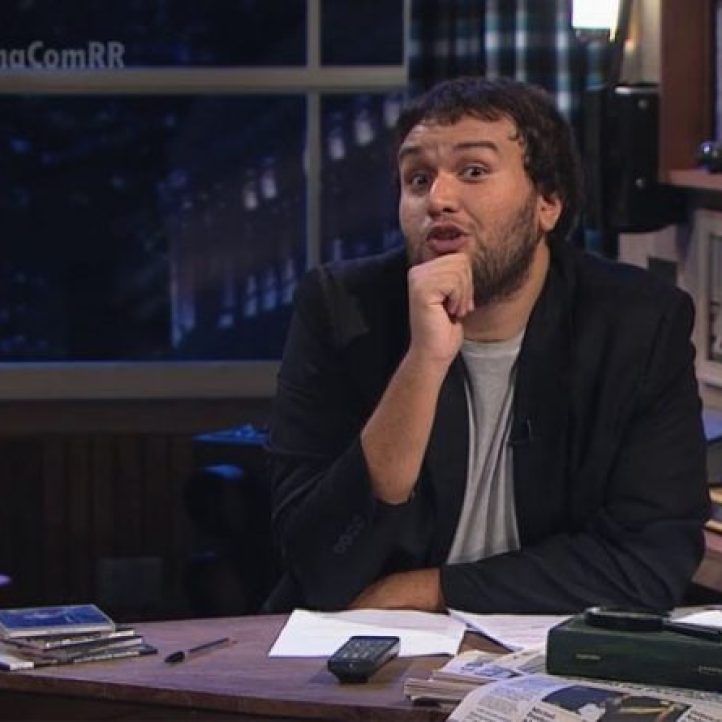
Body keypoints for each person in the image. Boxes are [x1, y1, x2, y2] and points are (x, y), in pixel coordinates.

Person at [264, 76, 710, 614]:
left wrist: (429, 590)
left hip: (536, 649)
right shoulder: (342, 309)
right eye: (417, 178)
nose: (438, 200)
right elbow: (315, 561)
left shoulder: (637, 323)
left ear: (548, 202)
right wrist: (423, 363)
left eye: (473, 171)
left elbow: (650, 559)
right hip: (357, 647)